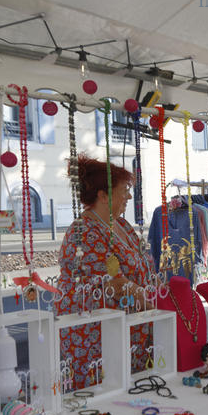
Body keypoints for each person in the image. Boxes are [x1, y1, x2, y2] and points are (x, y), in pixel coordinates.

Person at [55, 155, 153, 389]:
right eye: (124, 190)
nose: (129, 196)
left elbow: (141, 269)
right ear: (103, 195)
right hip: (96, 335)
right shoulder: (84, 232)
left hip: (127, 327)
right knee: (103, 394)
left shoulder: (121, 225)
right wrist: (154, 303)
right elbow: (113, 283)